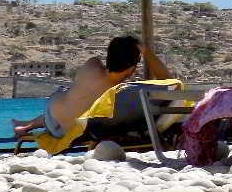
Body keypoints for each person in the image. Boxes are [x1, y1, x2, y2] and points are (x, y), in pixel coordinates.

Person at [11, 36, 171, 139]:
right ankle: (27, 125)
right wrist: (144, 49)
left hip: (53, 110)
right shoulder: (118, 92)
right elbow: (168, 80)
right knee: (79, 107)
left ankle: (26, 125)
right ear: (131, 67)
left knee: (70, 97)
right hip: (66, 130)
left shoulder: (92, 64)